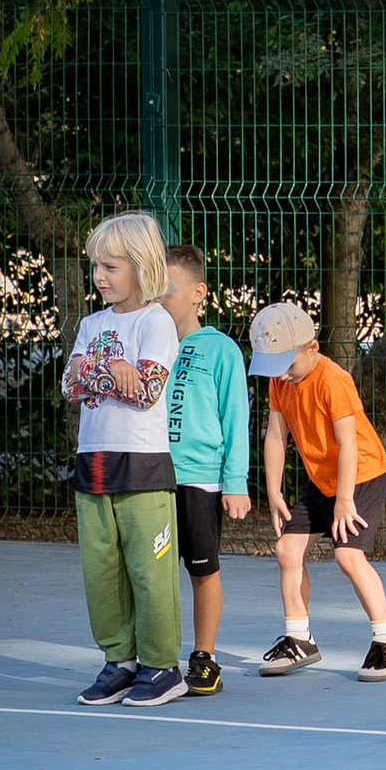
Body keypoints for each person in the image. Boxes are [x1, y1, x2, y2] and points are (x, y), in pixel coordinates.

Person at [62, 209, 184, 704]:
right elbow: (70, 385)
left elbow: (147, 391)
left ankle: (162, 666)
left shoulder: (157, 322)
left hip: (143, 465)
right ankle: (121, 661)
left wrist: (95, 370)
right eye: (95, 266)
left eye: (110, 266)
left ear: (141, 265)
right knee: (102, 571)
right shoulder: (91, 323)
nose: (99, 276)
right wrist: (113, 367)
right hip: (93, 463)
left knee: (149, 571)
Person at [249, 298, 386, 680]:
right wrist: (274, 492)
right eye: (274, 366)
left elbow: (349, 444)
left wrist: (345, 500)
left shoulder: (333, 380)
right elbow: (276, 435)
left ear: (312, 347)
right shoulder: (281, 381)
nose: (281, 374)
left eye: (287, 364)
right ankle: (299, 638)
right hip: (322, 479)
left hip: (361, 475)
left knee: (348, 557)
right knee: (287, 550)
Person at [161, 242, 251, 696]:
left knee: (202, 569)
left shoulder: (221, 350)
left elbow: (236, 419)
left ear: (199, 293)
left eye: (170, 287)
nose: (160, 296)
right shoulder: (148, 344)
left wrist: (236, 483)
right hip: (152, 477)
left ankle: (204, 657)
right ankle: (153, 658)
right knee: (151, 573)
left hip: (200, 479)